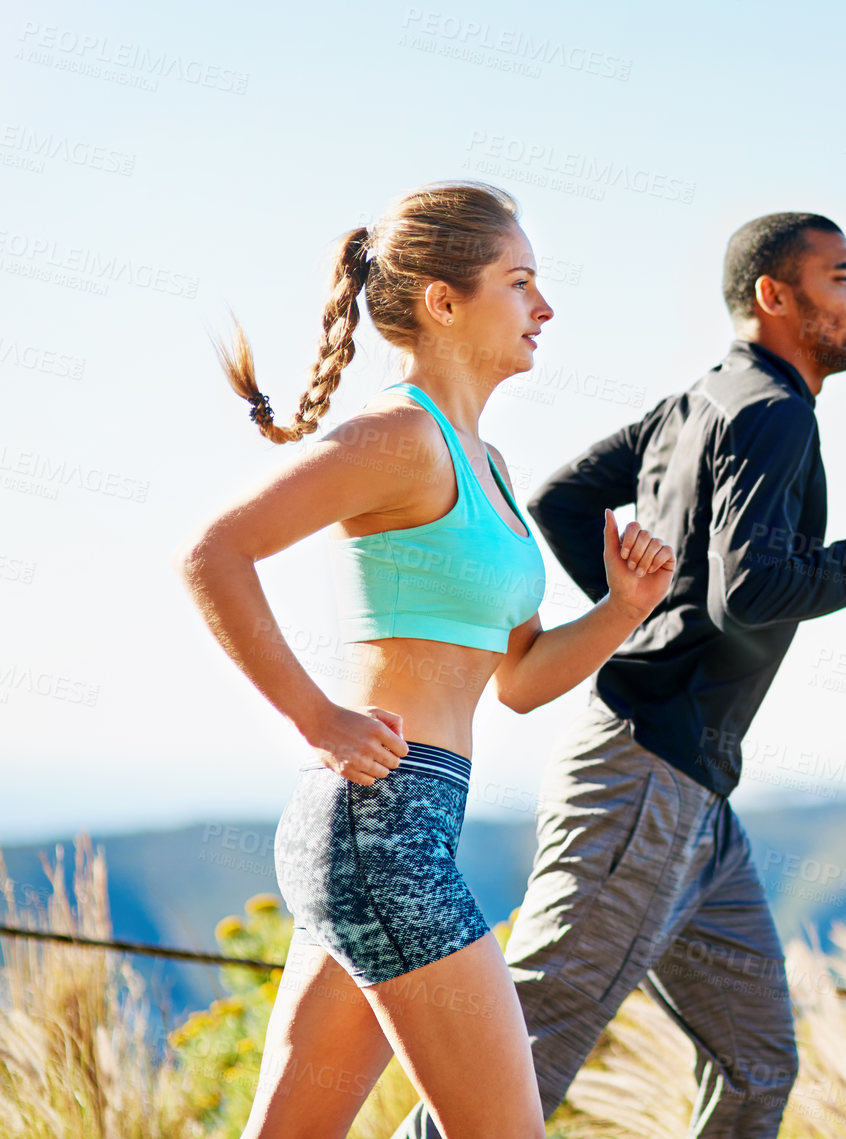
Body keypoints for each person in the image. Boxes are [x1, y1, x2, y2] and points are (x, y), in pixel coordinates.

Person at [391, 212, 846, 1138]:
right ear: (775, 295)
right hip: (645, 774)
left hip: (694, 789)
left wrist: (637, 608)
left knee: (757, 1063)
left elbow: (563, 499)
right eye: (844, 279)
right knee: (524, 1057)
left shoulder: (704, 402)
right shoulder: (773, 413)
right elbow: (751, 591)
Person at [176, 180, 678, 1139]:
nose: (545, 306)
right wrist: (315, 716)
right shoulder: (400, 436)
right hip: (384, 826)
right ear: (444, 303)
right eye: (519, 281)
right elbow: (213, 551)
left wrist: (622, 608)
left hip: (394, 825)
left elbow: (521, 680)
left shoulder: (482, 462)